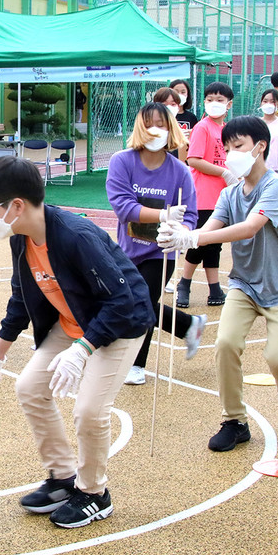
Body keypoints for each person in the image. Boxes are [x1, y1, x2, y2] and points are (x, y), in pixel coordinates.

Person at [0, 157, 154, 529]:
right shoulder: (21, 238)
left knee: (89, 410)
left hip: (119, 325)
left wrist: (83, 349)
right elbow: (22, 297)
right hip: (73, 322)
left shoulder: (75, 235)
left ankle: (93, 494)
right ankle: (62, 477)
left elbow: (123, 302)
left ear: (17, 206)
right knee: (29, 387)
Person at [157, 115, 278, 453]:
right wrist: (183, 237)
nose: (230, 155)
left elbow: (250, 227)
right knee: (225, 344)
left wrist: (193, 237)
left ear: (260, 146)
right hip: (244, 285)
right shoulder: (230, 194)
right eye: (226, 149)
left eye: (237, 147)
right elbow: (212, 227)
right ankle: (234, 421)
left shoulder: (277, 187)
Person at [105, 102, 207, 386]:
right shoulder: (122, 161)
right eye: (149, 123)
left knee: (142, 302)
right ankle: (188, 325)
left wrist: (180, 231)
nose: (155, 130)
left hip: (159, 253)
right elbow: (123, 207)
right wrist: (163, 214)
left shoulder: (180, 172)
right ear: (140, 126)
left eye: (162, 124)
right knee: (130, 302)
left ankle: (137, 364)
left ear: (171, 128)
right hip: (127, 250)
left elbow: (191, 215)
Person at [176, 81, 234, 308]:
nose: (214, 104)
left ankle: (214, 288)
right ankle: (185, 282)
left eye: (219, 100)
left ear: (229, 104)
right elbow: (194, 160)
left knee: (214, 244)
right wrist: (224, 173)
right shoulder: (203, 127)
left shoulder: (227, 129)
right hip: (203, 194)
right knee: (199, 242)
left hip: (222, 195)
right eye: (210, 99)